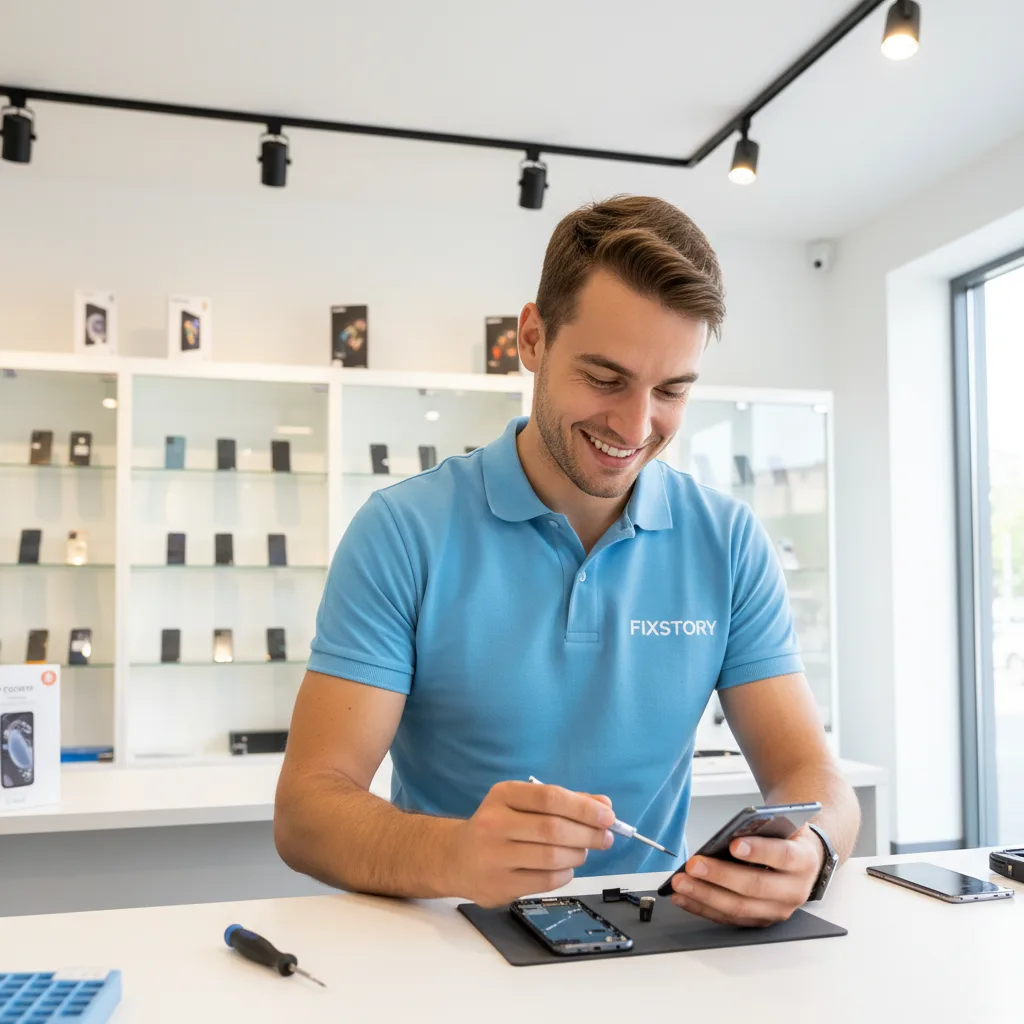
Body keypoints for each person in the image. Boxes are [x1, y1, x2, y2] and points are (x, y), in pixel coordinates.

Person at [274, 195, 861, 925]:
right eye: (606, 378)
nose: (636, 425)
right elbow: (306, 812)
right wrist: (457, 854)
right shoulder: (402, 531)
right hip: (451, 941)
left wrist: (811, 852)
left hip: (647, 944)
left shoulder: (729, 541)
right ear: (531, 338)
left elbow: (817, 782)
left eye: (672, 390)